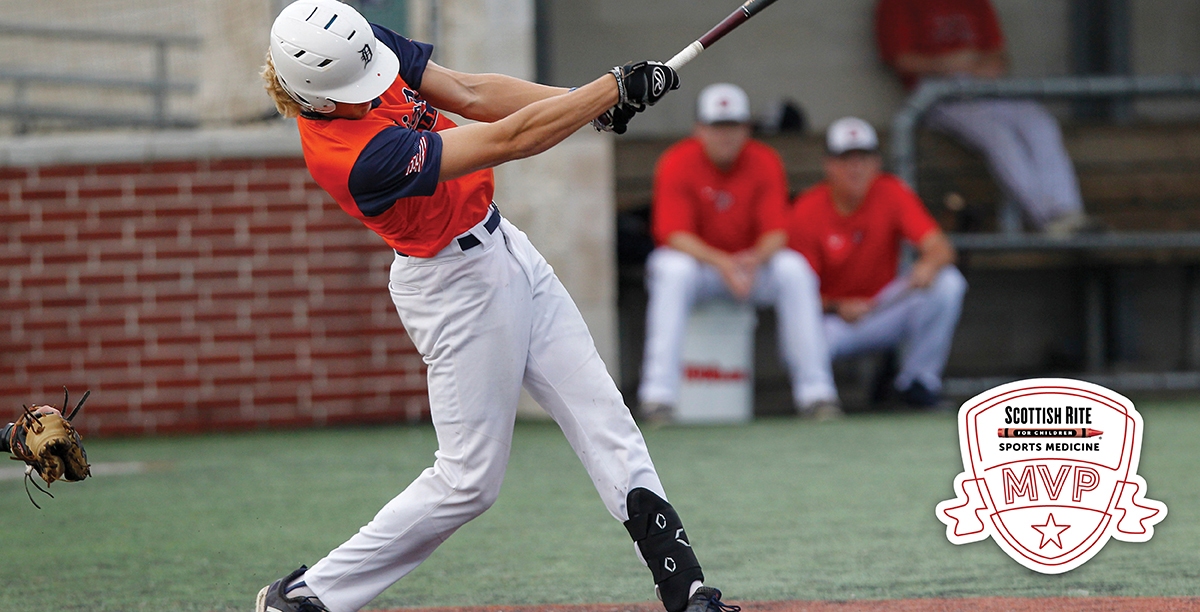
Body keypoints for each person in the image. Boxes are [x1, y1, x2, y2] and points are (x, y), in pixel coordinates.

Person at [255, 3, 739, 612]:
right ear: (317, 99)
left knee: (603, 416)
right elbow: (507, 138)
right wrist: (607, 89)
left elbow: (472, 92)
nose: (376, 87)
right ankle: (309, 596)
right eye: (359, 90)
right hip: (452, 288)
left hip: (504, 244)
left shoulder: (351, 43)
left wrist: (588, 102)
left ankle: (686, 589)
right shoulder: (351, 158)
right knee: (468, 481)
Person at [638, 83, 839, 422]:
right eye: (717, 127)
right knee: (673, 270)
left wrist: (751, 261)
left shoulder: (763, 159)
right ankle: (658, 396)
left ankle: (816, 394)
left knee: (794, 270)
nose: (725, 136)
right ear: (699, 129)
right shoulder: (678, 160)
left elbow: (777, 231)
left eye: (733, 126)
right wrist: (723, 263)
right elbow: (673, 235)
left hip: (748, 267)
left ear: (747, 128)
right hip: (702, 269)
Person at [875, 0, 1101, 235]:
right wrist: (948, 63)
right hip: (938, 94)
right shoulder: (896, 4)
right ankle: (1052, 219)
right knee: (999, 137)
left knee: (1040, 123)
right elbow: (900, 60)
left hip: (985, 87)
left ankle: (1071, 213)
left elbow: (999, 57)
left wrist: (977, 66)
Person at [789, 117, 967, 408]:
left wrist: (928, 264)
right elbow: (797, 294)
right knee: (799, 343)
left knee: (948, 282)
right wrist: (836, 306)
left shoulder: (890, 191)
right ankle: (818, 399)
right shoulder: (807, 209)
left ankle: (918, 383)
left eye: (864, 158)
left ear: (876, 163)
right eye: (846, 159)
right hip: (835, 320)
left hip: (883, 307)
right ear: (829, 165)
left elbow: (940, 247)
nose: (856, 167)